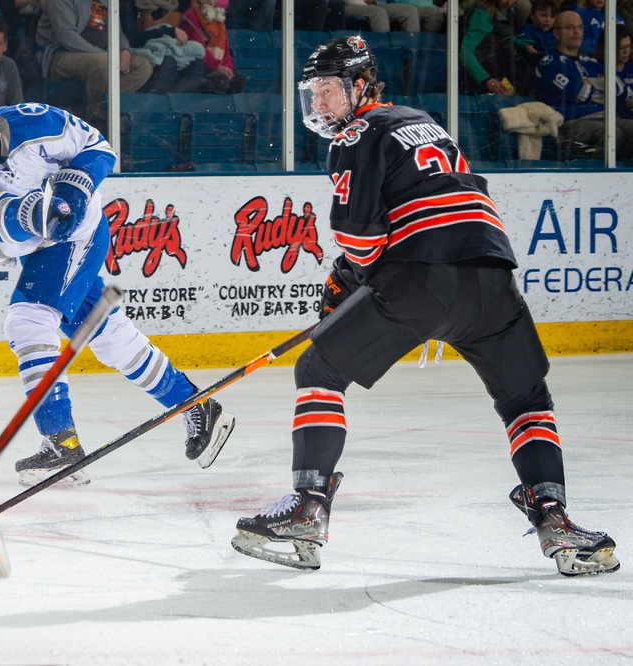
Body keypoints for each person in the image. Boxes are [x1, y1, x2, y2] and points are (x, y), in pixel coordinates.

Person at [231, 36, 619, 578]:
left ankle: (308, 508)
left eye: (328, 92)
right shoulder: (422, 121)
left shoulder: (355, 134)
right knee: (526, 396)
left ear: (360, 87)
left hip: (424, 281)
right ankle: (553, 515)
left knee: (318, 369)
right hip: (491, 276)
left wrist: (347, 278)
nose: (319, 105)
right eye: (313, 93)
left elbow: (362, 242)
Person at [0, 79, 236, 486]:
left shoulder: (34, 120)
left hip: (82, 233)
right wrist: (30, 212)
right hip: (40, 249)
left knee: (28, 322)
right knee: (112, 338)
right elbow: (5, 229)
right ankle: (196, 405)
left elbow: (96, 148)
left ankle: (61, 441)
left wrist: (75, 186)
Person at [35, 0, 153, 130]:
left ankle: (98, 109)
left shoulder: (108, 1)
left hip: (104, 55)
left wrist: (125, 51)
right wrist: (108, 56)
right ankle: (97, 122)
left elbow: (117, 33)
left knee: (143, 66)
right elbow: (66, 36)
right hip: (62, 54)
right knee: (102, 64)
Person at [534, 10, 633, 157]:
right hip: (569, 124)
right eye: (570, 27)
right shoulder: (549, 63)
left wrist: (590, 83)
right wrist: (602, 87)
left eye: (580, 27)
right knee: (611, 134)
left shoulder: (590, 62)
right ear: (556, 33)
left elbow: (619, 89)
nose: (576, 32)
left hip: (603, 118)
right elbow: (578, 92)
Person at [460, 0, 533, 95]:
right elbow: (465, 51)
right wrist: (487, 80)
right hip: (481, 73)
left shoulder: (507, 11)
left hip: (499, 67)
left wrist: (524, 46)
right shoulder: (482, 16)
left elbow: (505, 38)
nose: (510, 3)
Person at [180, 0, 245, 94]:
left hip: (217, 67)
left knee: (237, 80)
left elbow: (225, 49)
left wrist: (228, 69)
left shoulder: (218, 20)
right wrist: (217, 67)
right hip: (201, 68)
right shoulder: (191, 17)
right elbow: (198, 50)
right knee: (221, 80)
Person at [341, 0, 420, 33]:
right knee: (378, 13)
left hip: (372, 4)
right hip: (345, 5)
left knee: (409, 11)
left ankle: (411, 54)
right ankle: (383, 53)